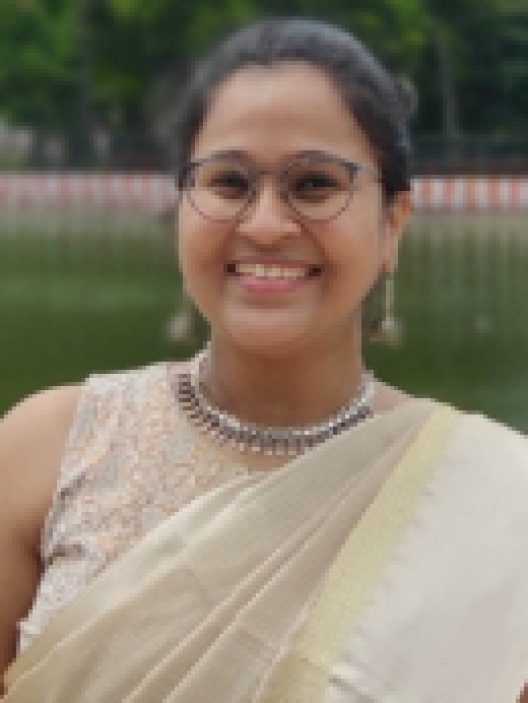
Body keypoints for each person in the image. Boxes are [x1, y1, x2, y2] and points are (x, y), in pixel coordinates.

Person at [1, 17, 527, 702]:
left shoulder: (491, 500)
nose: (266, 224)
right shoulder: (48, 452)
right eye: (228, 182)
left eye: (315, 184)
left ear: (393, 223)